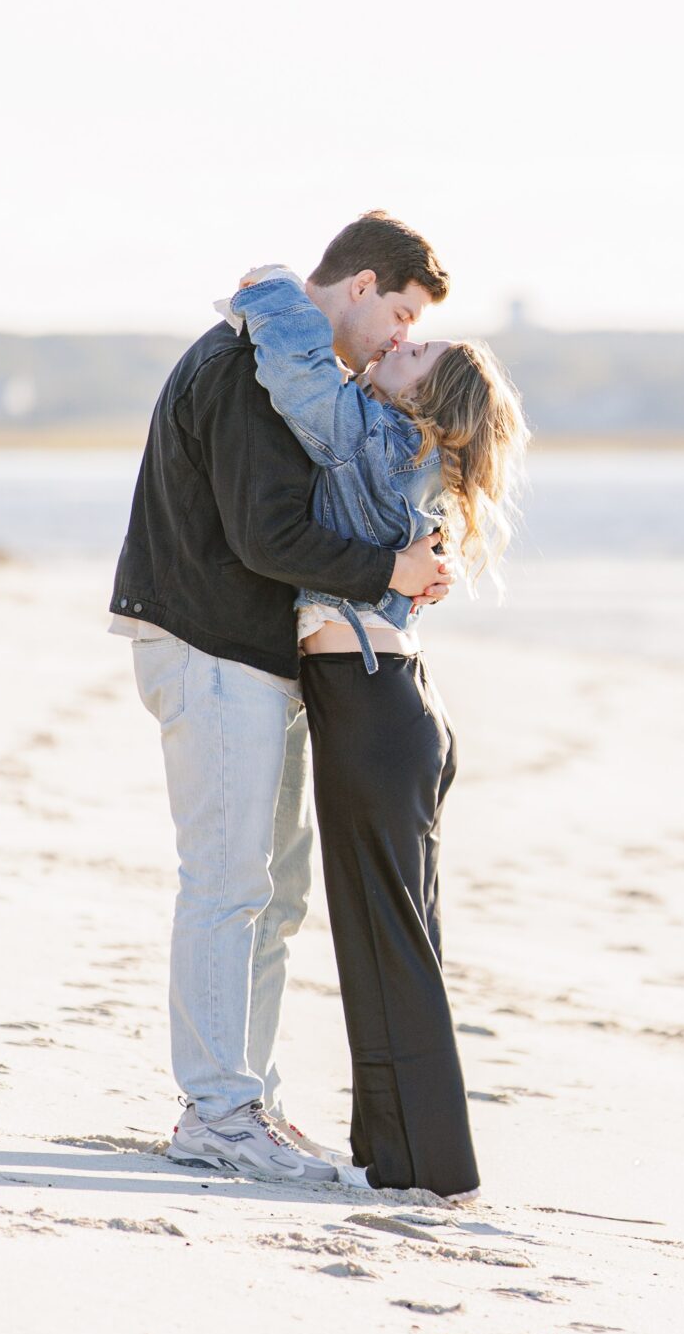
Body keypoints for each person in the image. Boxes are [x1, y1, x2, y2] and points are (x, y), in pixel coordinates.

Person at [109, 211, 454, 1187]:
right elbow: (266, 538)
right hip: (209, 646)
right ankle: (216, 1112)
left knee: (276, 893)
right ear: (359, 286)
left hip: (255, 656)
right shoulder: (244, 366)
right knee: (227, 884)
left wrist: (410, 565)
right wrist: (387, 562)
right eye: (401, 312)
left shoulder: (296, 378)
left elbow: (314, 517)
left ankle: (242, 1098)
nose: (399, 337)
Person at [222, 254, 530, 1198]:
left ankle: (432, 1172)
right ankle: (395, 1161)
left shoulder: (381, 440)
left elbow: (300, 375)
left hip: (372, 705)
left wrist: (270, 288)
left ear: (426, 400)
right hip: (390, 706)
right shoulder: (407, 456)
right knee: (386, 936)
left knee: (386, 942)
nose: (401, 341)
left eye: (417, 345)